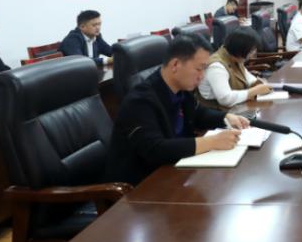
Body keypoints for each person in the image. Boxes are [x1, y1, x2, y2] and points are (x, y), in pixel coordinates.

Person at [105, 34, 250, 185]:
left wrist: (226, 117)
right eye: (199, 69)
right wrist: (212, 142)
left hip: (174, 170)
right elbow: (155, 150)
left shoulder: (181, 89)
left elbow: (198, 114)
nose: (202, 76)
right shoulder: (139, 101)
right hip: (139, 186)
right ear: (175, 65)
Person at [197, 28, 272, 109]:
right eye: (250, 51)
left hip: (236, 108)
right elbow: (225, 99)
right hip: (218, 111)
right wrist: (255, 90)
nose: (252, 55)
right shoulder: (216, 67)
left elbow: (247, 77)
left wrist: (259, 84)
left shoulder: (234, 57)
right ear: (240, 49)